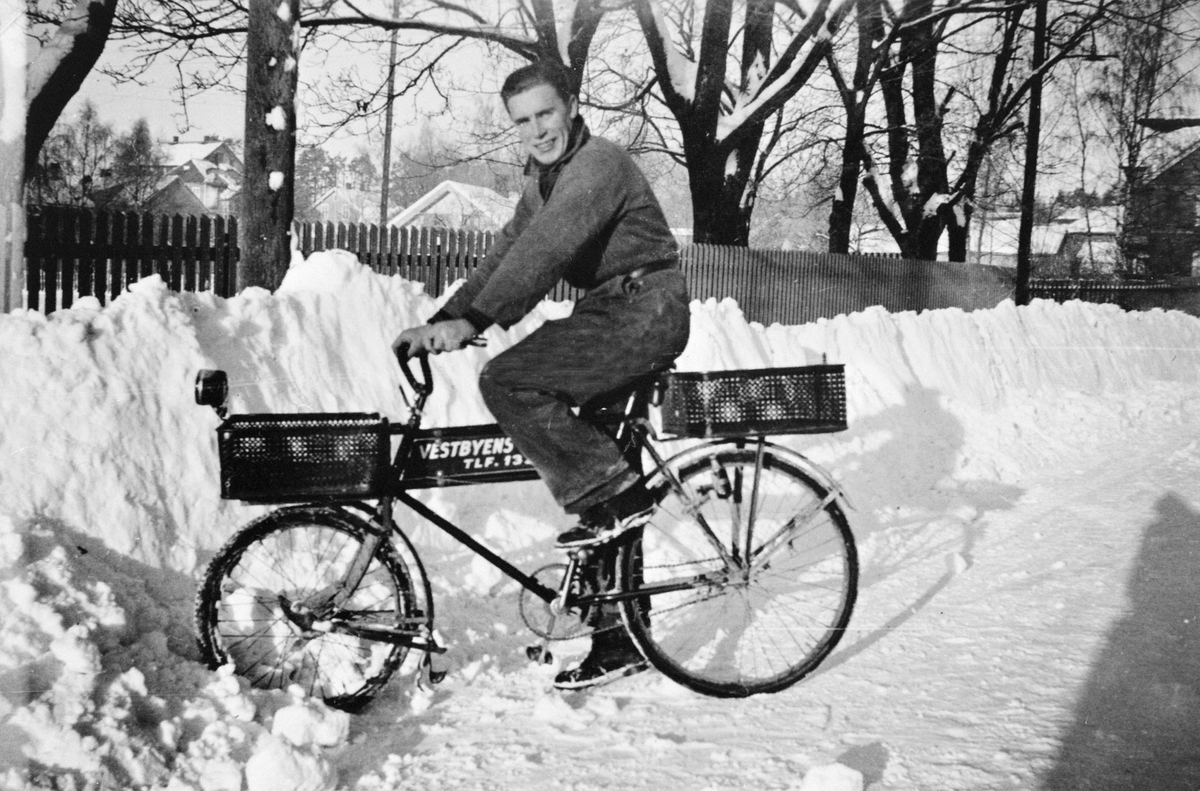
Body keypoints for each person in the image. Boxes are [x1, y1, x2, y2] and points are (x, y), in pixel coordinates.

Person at [393, 60, 690, 689]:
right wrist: (444, 317)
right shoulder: (544, 181)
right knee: (608, 477)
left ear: (572, 106)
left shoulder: (598, 165)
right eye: (522, 122)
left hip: (644, 310)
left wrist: (474, 323)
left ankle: (618, 500)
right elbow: (505, 252)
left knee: (508, 381)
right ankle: (620, 637)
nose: (536, 130)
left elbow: (543, 253)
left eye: (545, 114)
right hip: (614, 312)